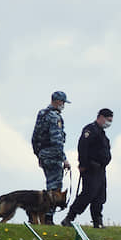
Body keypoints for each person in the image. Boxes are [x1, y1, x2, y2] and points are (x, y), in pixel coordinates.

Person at [61, 108, 113, 228]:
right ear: (100, 117)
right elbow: (83, 147)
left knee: (100, 196)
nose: (109, 123)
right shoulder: (90, 130)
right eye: (108, 120)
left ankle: (97, 222)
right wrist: (83, 164)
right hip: (91, 167)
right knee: (88, 194)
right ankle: (70, 217)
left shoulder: (101, 132)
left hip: (100, 169)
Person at [31, 90, 71, 224]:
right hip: (54, 156)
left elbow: (35, 137)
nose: (63, 105)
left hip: (44, 155)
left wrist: (39, 155)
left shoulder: (42, 114)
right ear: (58, 101)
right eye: (63, 102)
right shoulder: (55, 117)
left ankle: (42, 215)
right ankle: (48, 217)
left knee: (49, 185)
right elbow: (57, 141)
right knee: (54, 188)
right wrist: (64, 159)